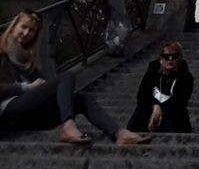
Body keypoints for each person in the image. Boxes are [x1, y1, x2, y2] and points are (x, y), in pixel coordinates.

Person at [0, 11, 146, 146]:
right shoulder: (2, 51)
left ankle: (119, 134)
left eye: (31, 30)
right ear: (13, 27)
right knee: (66, 77)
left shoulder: (27, 60)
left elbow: (44, 89)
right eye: (23, 27)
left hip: (27, 115)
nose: (26, 33)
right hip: (6, 112)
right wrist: (26, 87)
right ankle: (68, 126)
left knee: (83, 99)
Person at [127, 41, 194, 133]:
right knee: (141, 108)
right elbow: (142, 95)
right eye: (166, 56)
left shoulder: (186, 77)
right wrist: (155, 105)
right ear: (161, 59)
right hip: (150, 112)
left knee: (174, 111)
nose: (170, 60)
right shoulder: (153, 72)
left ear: (179, 58)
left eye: (174, 56)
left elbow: (180, 101)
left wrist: (160, 108)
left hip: (172, 116)